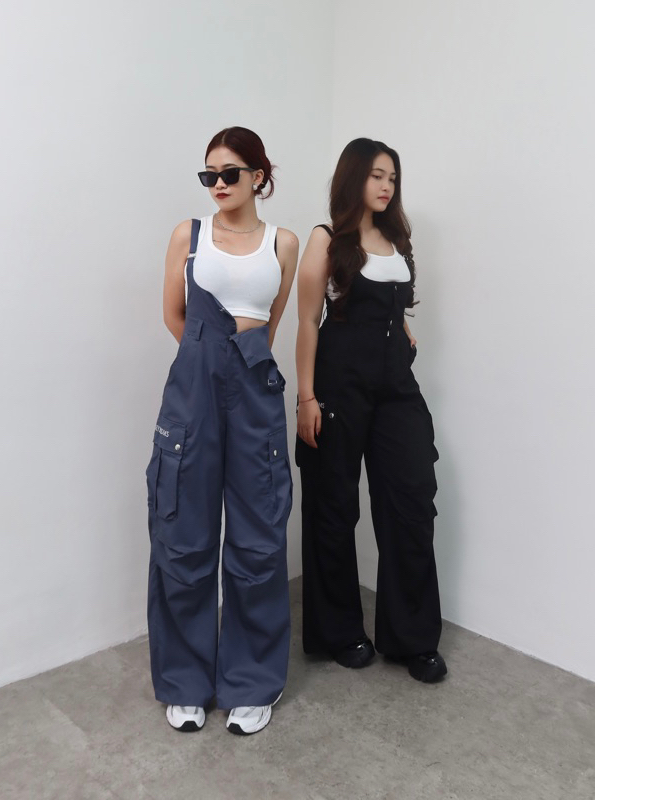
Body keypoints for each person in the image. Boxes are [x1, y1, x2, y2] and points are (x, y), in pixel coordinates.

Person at [146, 126, 298, 735]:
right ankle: (186, 681)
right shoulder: (189, 236)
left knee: (258, 537)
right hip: (194, 392)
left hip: (255, 394)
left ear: (259, 176)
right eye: (208, 174)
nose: (217, 184)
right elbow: (174, 316)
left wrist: (238, 367)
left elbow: (271, 323)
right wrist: (208, 361)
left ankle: (252, 681)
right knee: (183, 532)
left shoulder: (283, 243)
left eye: (229, 173)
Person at [295, 137, 447, 683]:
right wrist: (306, 397)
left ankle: (412, 639)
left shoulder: (396, 239)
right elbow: (308, 321)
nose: (386, 186)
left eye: (393, 178)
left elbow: (390, 303)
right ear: (353, 177)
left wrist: (400, 330)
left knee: (411, 502)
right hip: (338, 388)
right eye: (377, 175)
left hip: (396, 390)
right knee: (334, 508)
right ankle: (339, 631)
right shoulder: (326, 238)